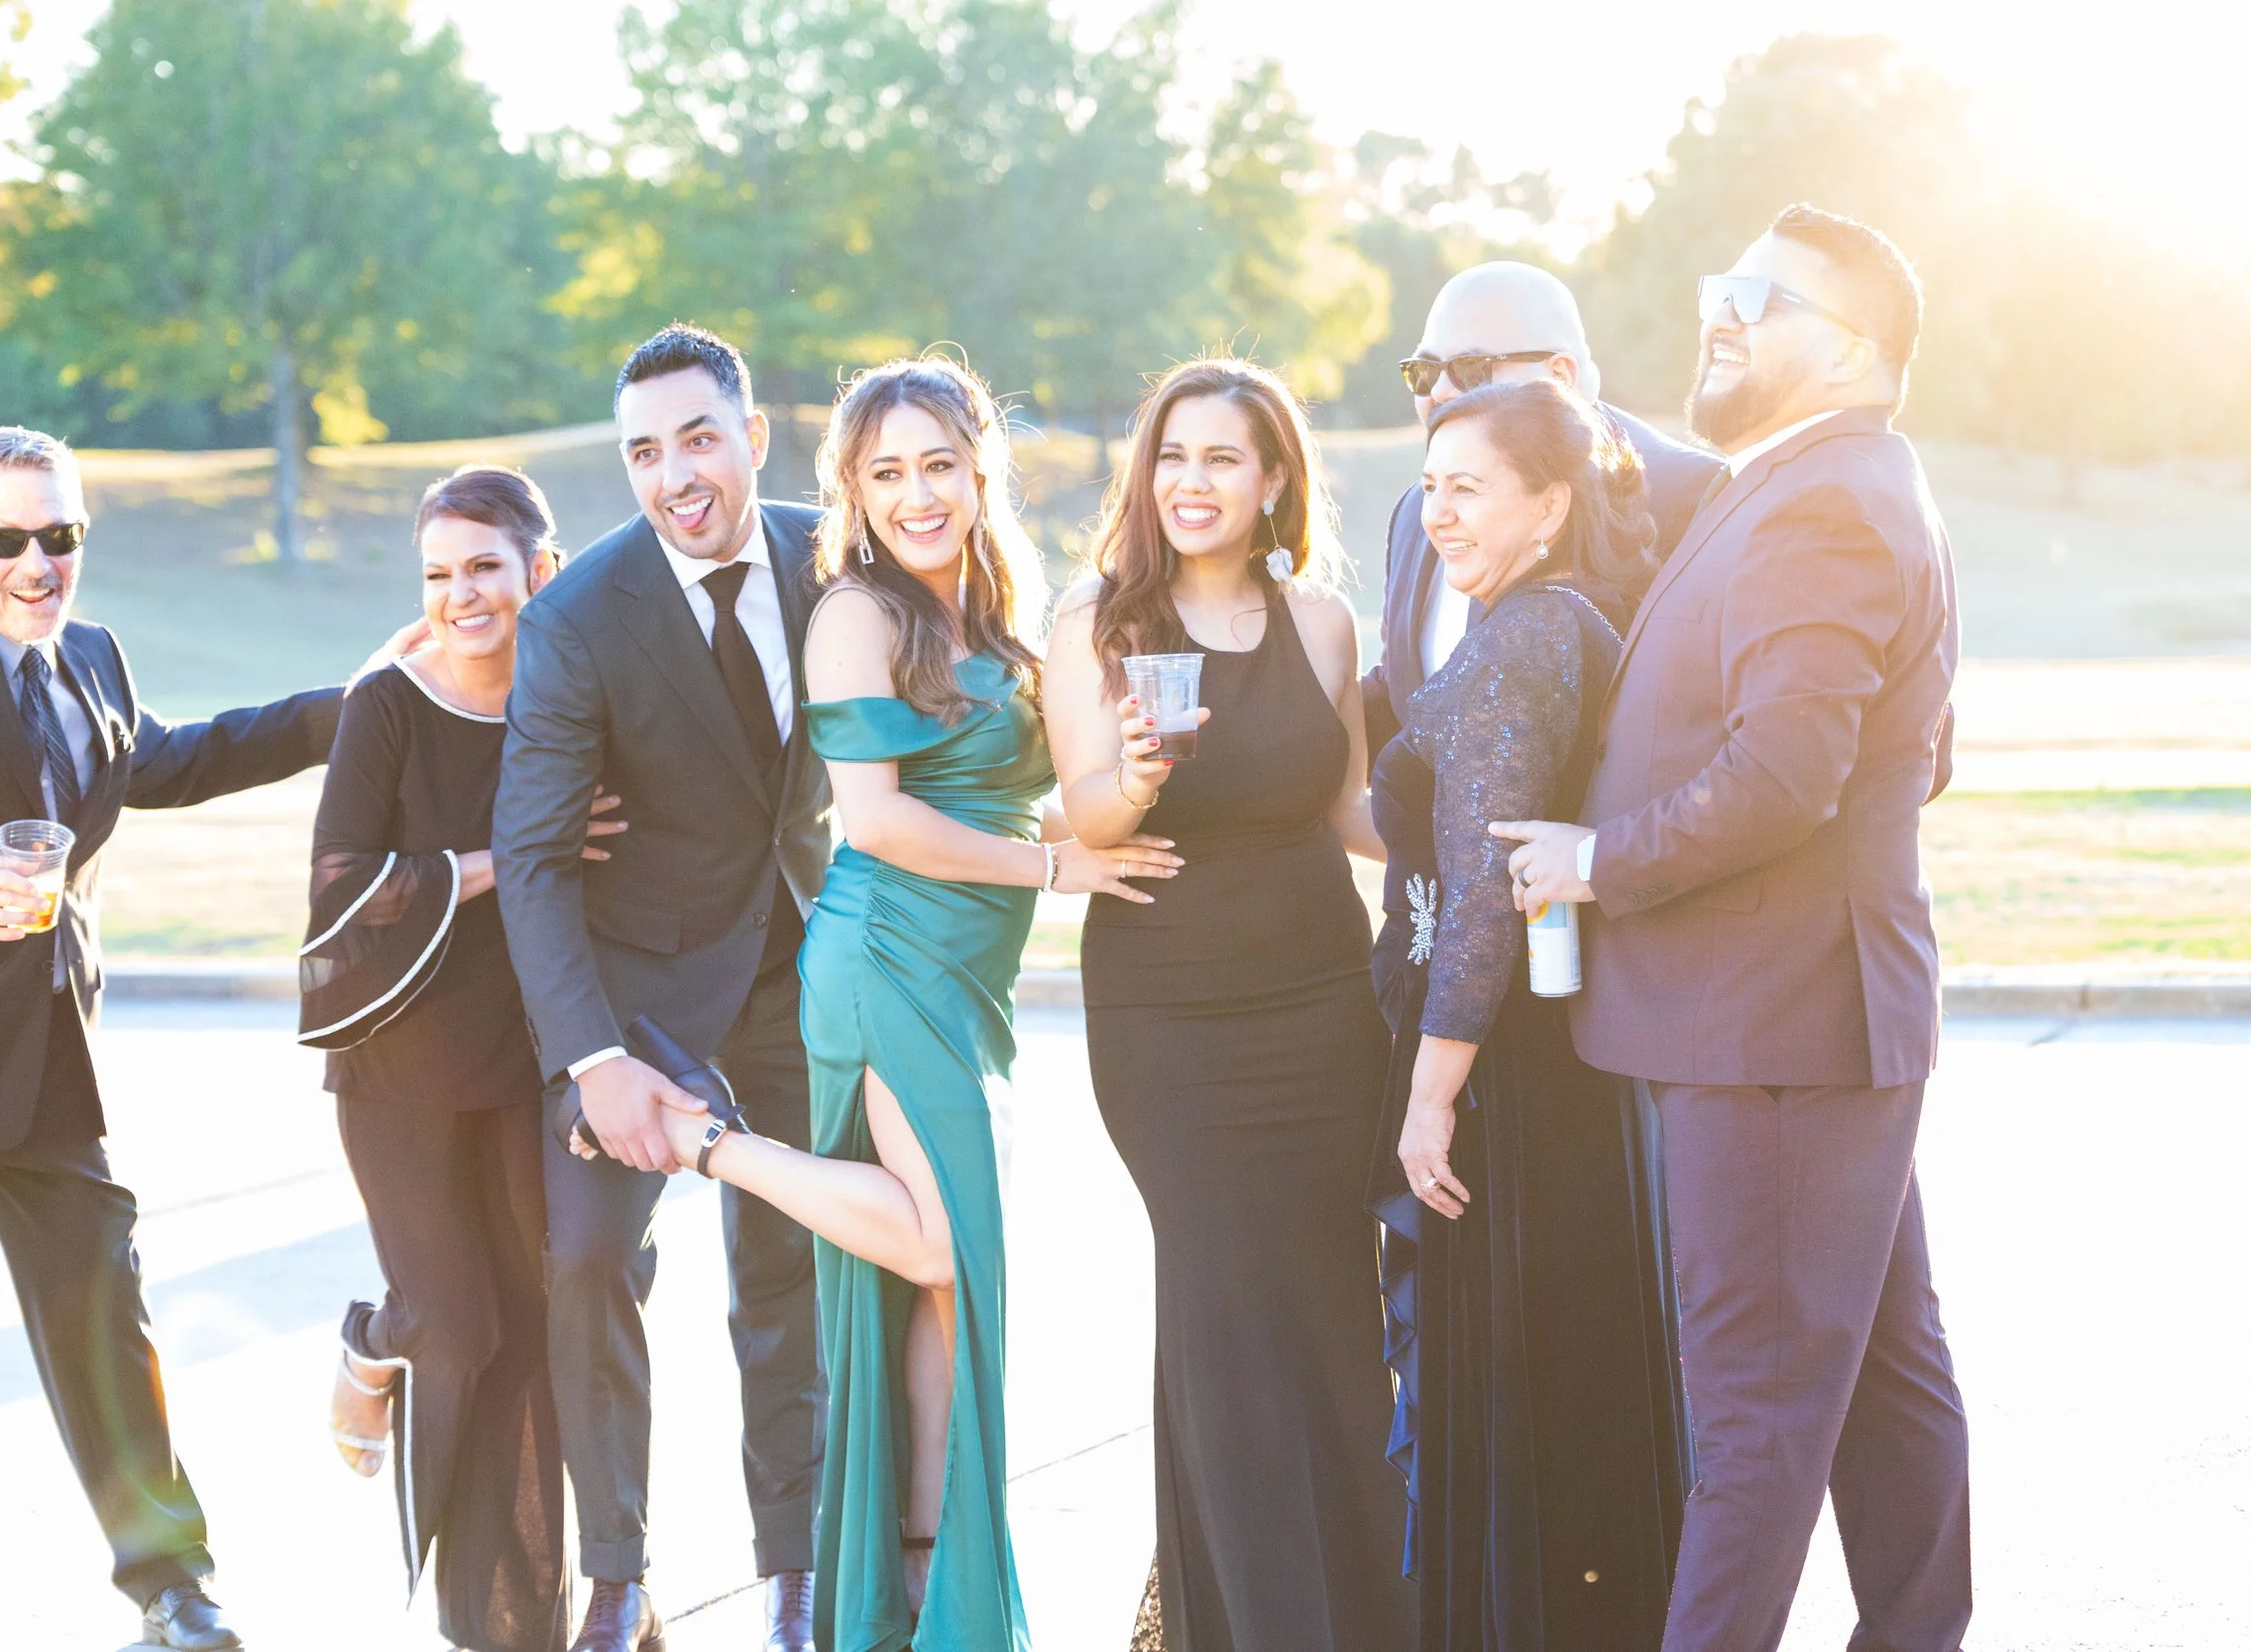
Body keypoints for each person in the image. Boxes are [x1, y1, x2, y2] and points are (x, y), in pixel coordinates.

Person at [1500, 204, 1970, 1652]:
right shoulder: (1812, 485)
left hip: (1771, 1027)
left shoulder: (1828, 501)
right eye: (1723, 286)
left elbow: (1784, 771)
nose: (1722, 313)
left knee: (1757, 1418)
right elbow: (1908, 753)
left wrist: (1596, 858)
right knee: (1886, 1386)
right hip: (1810, 1019)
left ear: (1851, 351)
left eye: (1757, 298)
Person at [660, 354, 1176, 1652]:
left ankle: (928, 1588)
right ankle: (721, 1143)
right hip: (883, 959)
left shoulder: (1009, 619)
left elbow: (1016, 800)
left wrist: (1122, 781)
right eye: (885, 473)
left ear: (980, 462)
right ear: (853, 490)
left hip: (972, 980)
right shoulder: (858, 615)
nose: (916, 494)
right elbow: (881, 822)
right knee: (941, 1247)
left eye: (937, 464)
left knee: (946, 1298)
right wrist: (1058, 863)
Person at [0, 426, 365, 1651]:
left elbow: (170, 759)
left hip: (53, 1076)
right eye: (5, 538)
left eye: (61, 534)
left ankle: (172, 1588)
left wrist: (350, 707)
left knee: (107, 1319)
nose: (36, 560)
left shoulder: (91, 656)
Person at [1039, 358, 1410, 1652]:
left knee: (1328, 1304)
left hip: (1323, 1005)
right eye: (1173, 456)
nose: (1192, 482)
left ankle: (1365, 1612)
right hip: (1169, 1022)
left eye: (1223, 459)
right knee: (1227, 1303)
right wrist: (1133, 775)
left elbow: (1351, 808)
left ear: (1273, 482)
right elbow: (1084, 807)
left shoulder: (1321, 625)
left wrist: (1467, 828)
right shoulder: (1096, 617)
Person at [491, 327, 831, 1652]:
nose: (673, 472)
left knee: (788, 1267)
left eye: (697, 436)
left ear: (753, 433)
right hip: (633, 996)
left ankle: (796, 1568)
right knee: (583, 1254)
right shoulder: (577, 619)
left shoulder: (833, 554)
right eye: (643, 449)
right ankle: (617, 1575)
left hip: (802, 969)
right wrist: (592, 1056)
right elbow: (530, 856)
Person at [1375, 380, 1687, 1649]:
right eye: (1431, 482)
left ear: (1549, 503)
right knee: (1566, 1377)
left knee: (1517, 1382)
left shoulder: (1522, 639)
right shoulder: (1547, 622)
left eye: (1470, 487)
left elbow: (1485, 895)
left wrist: (1427, 1093)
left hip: (1504, 1089)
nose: (1437, 512)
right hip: (1548, 1074)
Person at [298, 466, 615, 1652]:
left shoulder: (569, 695)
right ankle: (373, 1337)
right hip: (400, 1063)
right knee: (454, 1321)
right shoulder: (389, 701)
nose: (460, 592)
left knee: (528, 1330)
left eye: (483, 564)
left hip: (527, 1055)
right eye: (437, 572)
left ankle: (513, 1621)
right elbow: (341, 885)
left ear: (542, 566)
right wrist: (503, 854)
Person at [1363, 260, 1724, 755]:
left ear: (1560, 376)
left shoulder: (1685, 495)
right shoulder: (1416, 510)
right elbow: (1403, 690)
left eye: (1471, 368)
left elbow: (1694, 723)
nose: (1440, 391)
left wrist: (1592, 839)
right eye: (1423, 372)